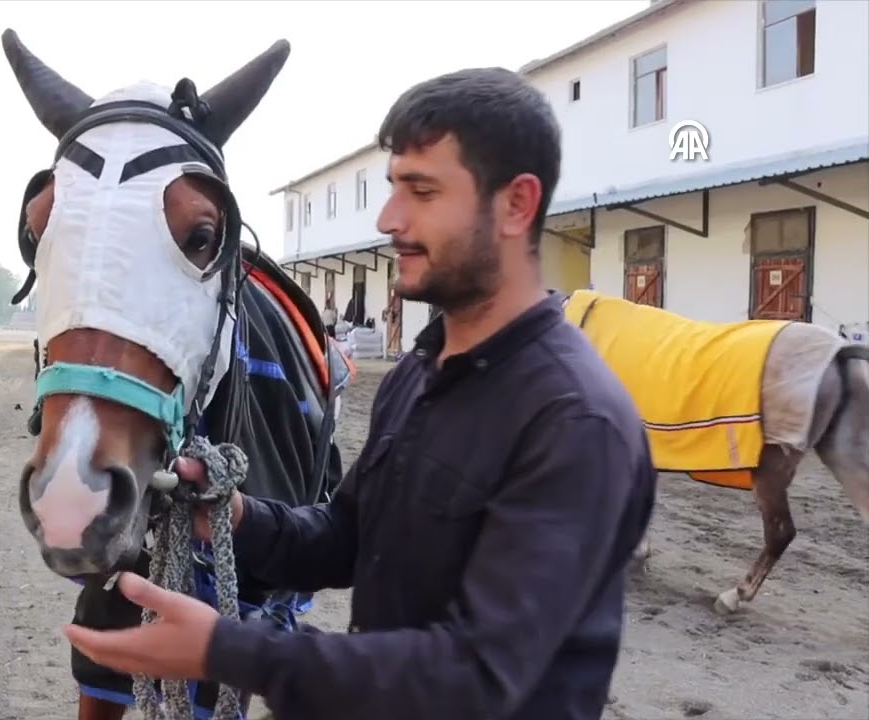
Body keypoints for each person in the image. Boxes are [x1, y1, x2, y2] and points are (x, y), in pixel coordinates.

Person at [64, 67, 657, 720]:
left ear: (516, 205)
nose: (388, 219)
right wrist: (236, 516)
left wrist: (228, 649)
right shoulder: (420, 372)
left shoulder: (576, 421)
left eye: (422, 192)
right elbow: (348, 536)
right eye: (393, 188)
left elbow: (479, 678)